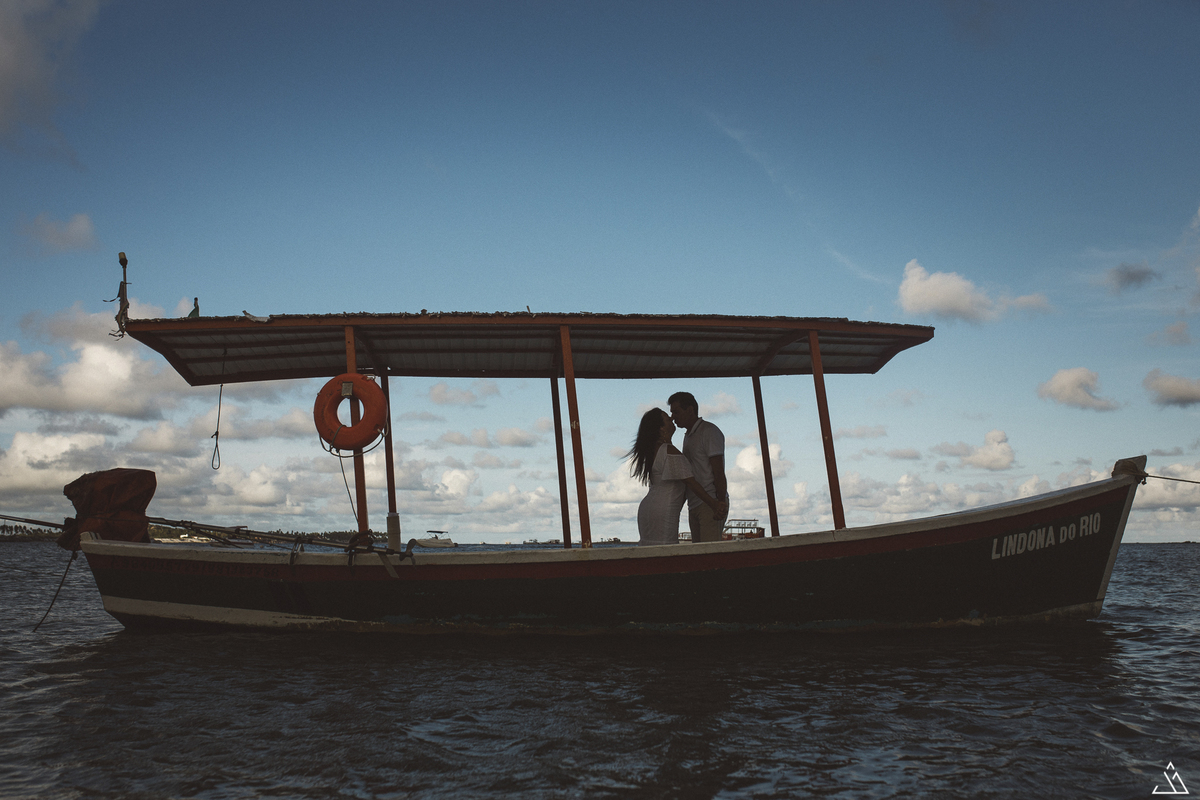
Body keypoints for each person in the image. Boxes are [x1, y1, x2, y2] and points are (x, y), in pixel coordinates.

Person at [627, 408, 722, 546]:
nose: (671, 419)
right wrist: (714, 504)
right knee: (665, 548)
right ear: (661, 428)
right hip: (663, 509)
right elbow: (690, 482)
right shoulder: (668, 451)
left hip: (648, 508)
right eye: (667, 418)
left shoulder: (653, 451)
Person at [668, 391, 729, 543]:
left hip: (709, 502)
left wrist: (719, 503)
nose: (672, 417)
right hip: (695, 503)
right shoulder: (689, 436)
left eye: (676, 412)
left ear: (690, 410)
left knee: (709, 552)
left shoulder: (709, 431)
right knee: (700, 551)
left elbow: (718, 471)